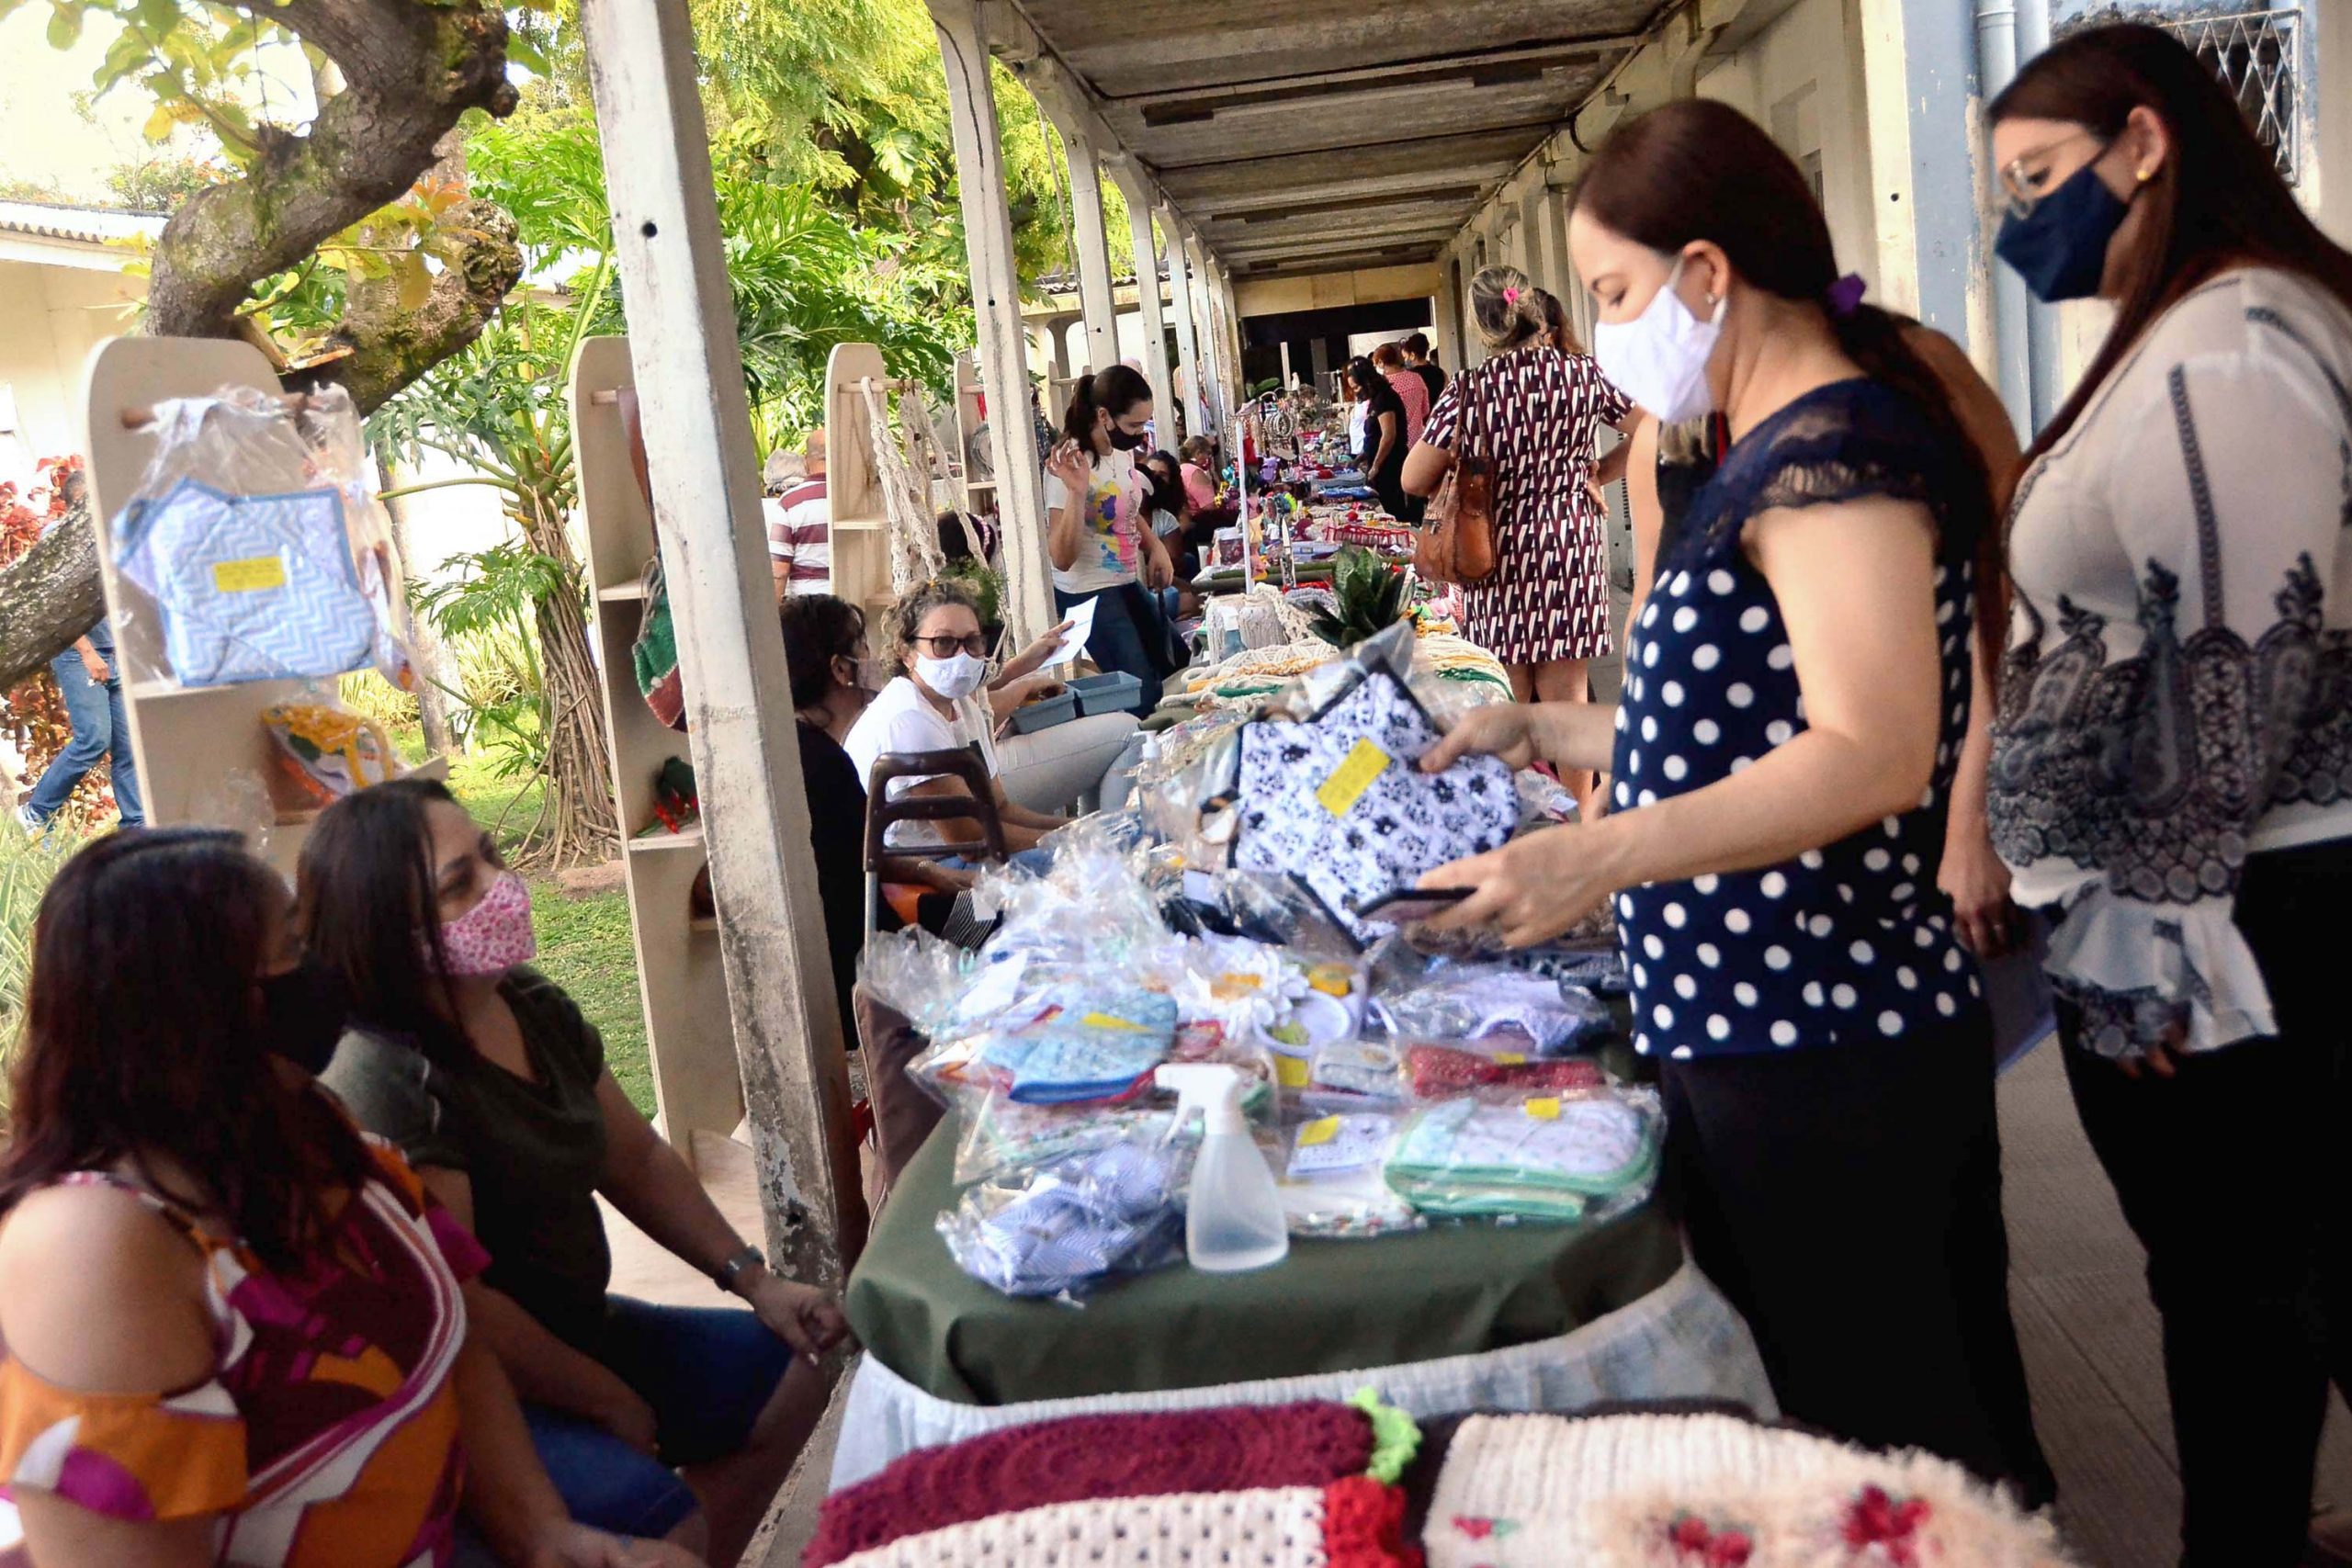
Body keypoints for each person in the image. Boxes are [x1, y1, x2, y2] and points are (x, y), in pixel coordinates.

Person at [1417, 98, 2052, 1503]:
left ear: (1709, 274)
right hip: (1758, 1031)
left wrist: (1603, 856)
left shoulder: (1833, 450)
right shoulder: (1757, 445)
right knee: (1858, 1438)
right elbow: (1732, 727)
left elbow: (1873, 747)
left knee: (1901, 1450)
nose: (1606, 334)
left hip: (1826, 1041)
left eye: (1618, 294)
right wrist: (1548, 719)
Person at [1984, 26, 2352, 1563]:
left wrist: (2149, 950)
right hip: (2212, 909)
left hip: (2249, 916)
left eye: (2038, 179)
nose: (2017, 225)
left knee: (2251, 1296)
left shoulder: (2230, 347)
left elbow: (2240, 665)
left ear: (2147, 141)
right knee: (2251, 1293)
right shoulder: (2182, 329)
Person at [0, 829, 692, 1568]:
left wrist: (544, 1530)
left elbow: (456, 1334)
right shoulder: (93, 1248)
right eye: (295, 949)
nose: (324, 972)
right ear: (201, 1008)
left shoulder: (296, 1124)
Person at [305, 784, 847, 1567]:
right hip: (479, 1387)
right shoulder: (388, 1076)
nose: (502, 885)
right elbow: (464, 1308)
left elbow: (637, 1159)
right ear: (385, 929)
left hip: (578, 1327)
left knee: (796, 1368)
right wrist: (599, 1394)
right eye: (460, 883)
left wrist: (756, 1280)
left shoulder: (526, 1003)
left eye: (491, 855)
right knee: (657, 1520)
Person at [1400, 264, 1636, 804]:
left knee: (1506, 701)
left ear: (1484, 330)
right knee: (1569, 701)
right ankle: (1580, 822)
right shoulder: (1583, 374)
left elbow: (1413, 479)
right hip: (1571, 548)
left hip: (1495, 553)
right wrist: (1597, 470)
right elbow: (1653, 424)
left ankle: (1521, 819)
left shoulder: (1471, 390)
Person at [781, 594, 984, 1030]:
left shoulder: (800, 751)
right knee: (1001, 919)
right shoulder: (822, 763)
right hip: (872, 954)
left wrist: (929, 872)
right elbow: (860, 873)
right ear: (841, 668)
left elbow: (857, 853)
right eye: (862, 647)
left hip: (879, 924)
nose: (870, 659)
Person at [844, 577, 1071, 870]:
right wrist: (1066, 842)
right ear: (907, 653)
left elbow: (999, 808)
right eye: (944, 643)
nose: (961, 655)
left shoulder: (963, 704)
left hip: (962, 855)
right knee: (1090, 870)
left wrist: (1074, 829)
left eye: (972, 642)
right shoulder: (909, 718)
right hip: (926, 874)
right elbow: (969, 840)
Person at [1043, 367, 1179, 714]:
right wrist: (1076, 493)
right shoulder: (1069, 462)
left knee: (1175, 662)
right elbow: (1061, 558)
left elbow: (1126, 509)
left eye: (1144, 424)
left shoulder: (1120, 452)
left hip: (1124, 580)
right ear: (1104, 416)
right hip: (1087, 591)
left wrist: (1155, 547)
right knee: (1142, 693)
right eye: (1134, 425)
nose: (1140, 434)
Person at [15, 469, 141, 833]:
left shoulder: (110, 534)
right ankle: (36, 812)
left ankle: (136, 826)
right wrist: (87, 652)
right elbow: (51, 606)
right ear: (72, 508)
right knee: (93, 738)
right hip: (80, 653)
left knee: (129, 748)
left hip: (114, 651)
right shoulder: (56, 539)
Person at [1346, 355, 1420, 525]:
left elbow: (1388, 435)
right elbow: (1375, 435)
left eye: (1357, 387)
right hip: (1381, 465)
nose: (1356, 392)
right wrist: (1361, 457)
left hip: (1390, 466)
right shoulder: (1376, 399)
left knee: (1393, 512)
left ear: (1367, 381)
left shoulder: (1384, 398)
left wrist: (1376, 466)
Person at [765, 430, 831, 603]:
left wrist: (774, 618)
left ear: (805, 461)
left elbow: (778, 571)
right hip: (853, 607)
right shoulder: (859, 498)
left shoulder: (790, 502)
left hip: (807, 608)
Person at [1371, 342, 1429, 445]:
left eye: (1376, 365)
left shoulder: (1383, 386)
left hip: (1396, 443)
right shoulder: (1417, 378)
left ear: (1381, 362)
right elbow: (1425, 409)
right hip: (1418, 440)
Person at [1400, 330, 1447, 402]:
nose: (1405, 361)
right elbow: (1447, 395)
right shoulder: (1441, 373)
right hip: (1439, 412)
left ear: (1412, 355)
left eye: (1405, 357)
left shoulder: (1408, 377)